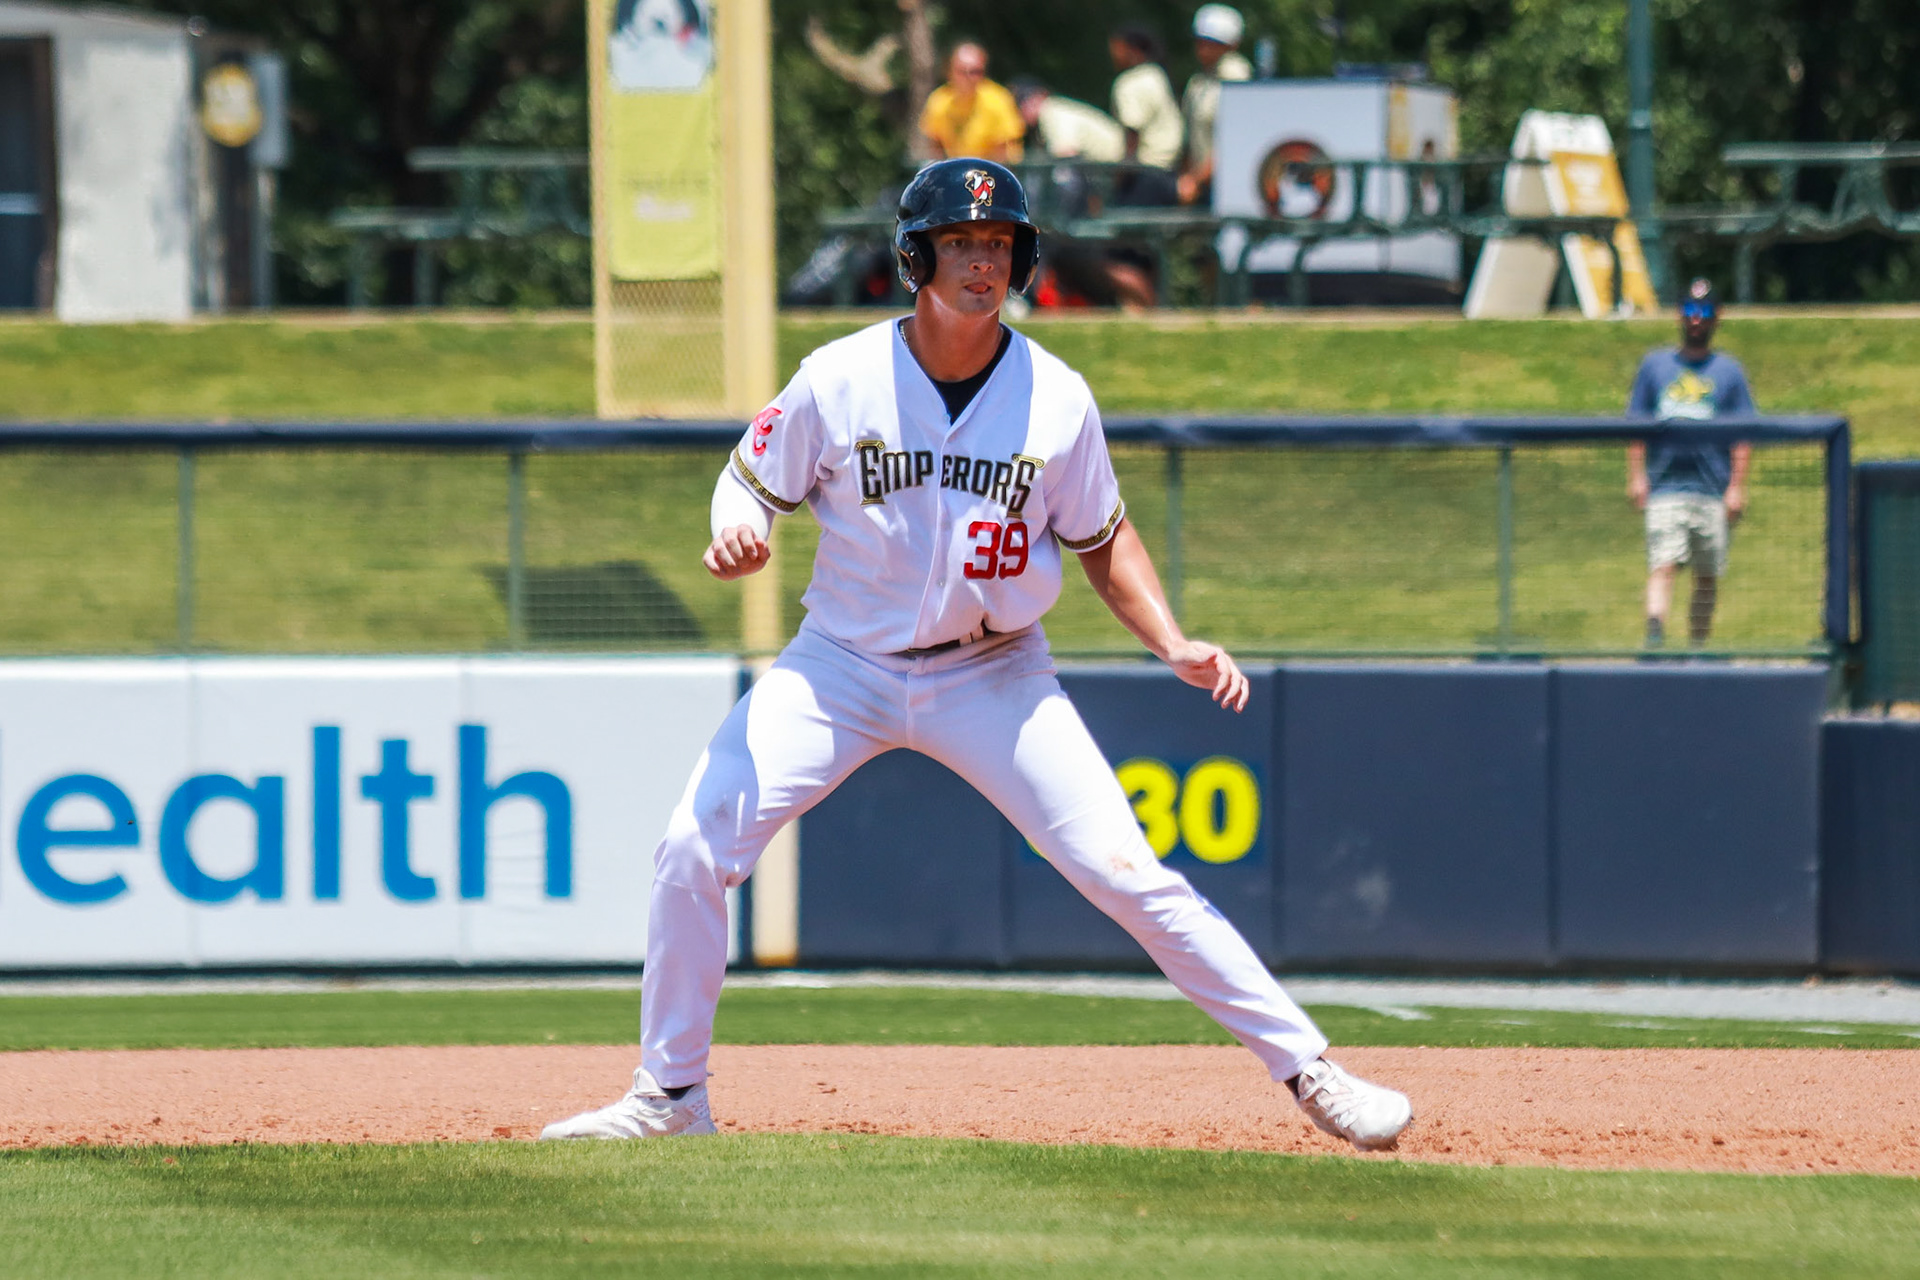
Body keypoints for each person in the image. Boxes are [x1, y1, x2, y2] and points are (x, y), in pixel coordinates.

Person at [540, 159, 1414, 1153]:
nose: (982, 261)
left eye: (999, 245)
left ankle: (1313, 1071)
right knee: (692, 844)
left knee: (1129, 872)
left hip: (994, 671)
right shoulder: (841, 375)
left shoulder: (1057, 397)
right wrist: (738, 526)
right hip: (842, 666)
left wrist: (1169, 636)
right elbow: (749, 476)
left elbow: (1103, 538)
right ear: (918, 254)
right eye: (961, 241)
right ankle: (669, 1093)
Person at [1626, 278, 1754, 648]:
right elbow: (1637, 426)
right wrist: (1636, 477)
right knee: (1663, 565)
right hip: (1665, 485)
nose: (1696, 319)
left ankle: (1698, 649)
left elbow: (1742, 436)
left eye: (1705, 312)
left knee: (1706, 576)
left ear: (1717, 318)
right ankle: (1655, 640)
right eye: (1690, 311)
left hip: (1712, 487)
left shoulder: (1729, 372)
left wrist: (1736, 487)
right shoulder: (1655, 366)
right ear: (1679, 314)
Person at [1177, 4, 1254, 206]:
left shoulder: (1237, 79)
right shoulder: (1198, 82)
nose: (1203, 49)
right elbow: (1189, 138)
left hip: (1227, 182)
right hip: (1200, 183)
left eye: (1213, 43)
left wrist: (1196, 180)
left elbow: (1231, 139)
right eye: (1201, 42)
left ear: (1231, 46)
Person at [1107, 24, 1183, 202]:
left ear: (1131, 50)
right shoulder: (1158, 75)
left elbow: (1132, 135)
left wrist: (1121, 177)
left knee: (1130, 228)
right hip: (1169, 174)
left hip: (1143, 175)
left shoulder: (1129, 83)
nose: (1113, 56)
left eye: (1117, 49)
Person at [919, 42, 1024, 163]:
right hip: (957, 171)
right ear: (949, 72)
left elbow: (1002, 152)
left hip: (994, 172)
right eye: (962, 71)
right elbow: (935, 145)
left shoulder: (998, 100)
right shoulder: (939, 100)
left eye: (975, 71)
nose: (969, 77)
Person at [1011, 79, 1126, 163]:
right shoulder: (1055, 108)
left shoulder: (1051, 112)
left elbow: (1066, 153)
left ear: (1042, 95)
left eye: (1026, 102)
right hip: (1110, 166)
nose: (1023, 109)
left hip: (1117, 167)